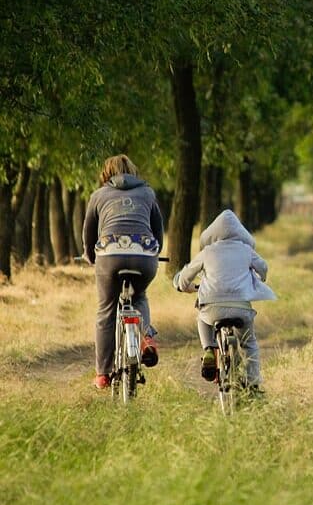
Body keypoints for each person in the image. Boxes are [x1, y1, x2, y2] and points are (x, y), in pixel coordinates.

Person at [82, 154, 164, 390]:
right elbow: (158, 230)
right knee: (139, 296)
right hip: (145, 255)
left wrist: (90, 257)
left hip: (109, 255)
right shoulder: (148, 193)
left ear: (106, 173)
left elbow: (89, 234)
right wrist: (153, 252)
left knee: (106, 309)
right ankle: (146, 337)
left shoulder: (98, 196)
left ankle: (103, 374)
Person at [173, 209, 276, 395]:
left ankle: (209, 350)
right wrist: (260, 277)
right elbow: (263, 269)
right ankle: (253, 384)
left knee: (202, 319)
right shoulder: (246, 250)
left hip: (212, 308)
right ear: (240, 233)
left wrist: (181, 284)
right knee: (249, 343)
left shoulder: (207, 251)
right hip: (241, 308)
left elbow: (185, 277)